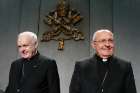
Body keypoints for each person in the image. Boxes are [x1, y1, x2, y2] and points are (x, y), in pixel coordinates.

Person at [69, 29, 137, 93]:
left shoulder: (125, 67)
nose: (107, 44)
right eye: (103, 41)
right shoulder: (81, 66)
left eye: (110, 40)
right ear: (93, 45)